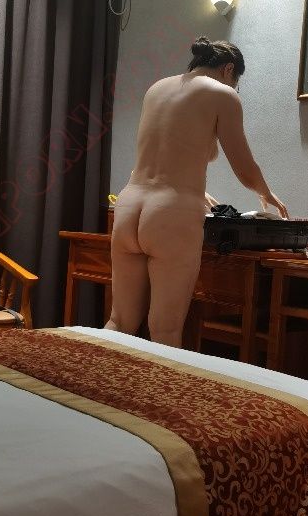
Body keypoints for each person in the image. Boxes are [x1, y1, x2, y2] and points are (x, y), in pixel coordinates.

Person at [104, 36, 288, 348]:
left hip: (128, 205)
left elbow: (161, 154)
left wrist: (198, 193)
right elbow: (244, 167)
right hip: (170, 215)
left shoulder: (157, 89)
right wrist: (266, 192)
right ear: (228, 69)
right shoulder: (223, 95)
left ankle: (91, 376)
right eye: (236, 82)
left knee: (120, 321)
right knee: (164, 331)